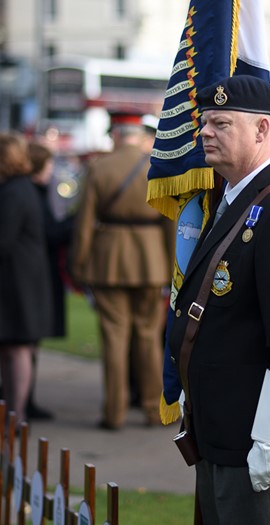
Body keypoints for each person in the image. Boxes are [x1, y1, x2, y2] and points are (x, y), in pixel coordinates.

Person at [167, 76, 270, 525]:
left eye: (220, 123)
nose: (205, 133)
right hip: (222, 428)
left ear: (262, 130)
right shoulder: (235, 199)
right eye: (205, 123)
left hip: (264, 443)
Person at [71, 110, 175, 429]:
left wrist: (78, 264)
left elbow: (84, 223)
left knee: (114, 337)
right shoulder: (158, 169)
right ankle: (152, 408)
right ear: (140, 136)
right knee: (148, 336)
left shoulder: (99, 168)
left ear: (115, 134)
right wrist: (173, 267)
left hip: (109, 260)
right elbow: (171, 223)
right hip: (151, 258)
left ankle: (114, 412)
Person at [0, 132, 53, 429]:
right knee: (12, 349)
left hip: (20, 282)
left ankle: (17, 414)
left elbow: (4, 238)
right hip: (19, 280)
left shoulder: (15, 191)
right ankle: (13, 411)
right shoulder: (19, 188)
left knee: (18, 349)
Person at [28, 141, 75, 419]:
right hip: (32, 276)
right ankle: (21, 402)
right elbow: (49, 232)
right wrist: (75, 222)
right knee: (24, 345)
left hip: (32, 274)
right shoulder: (30, 192)